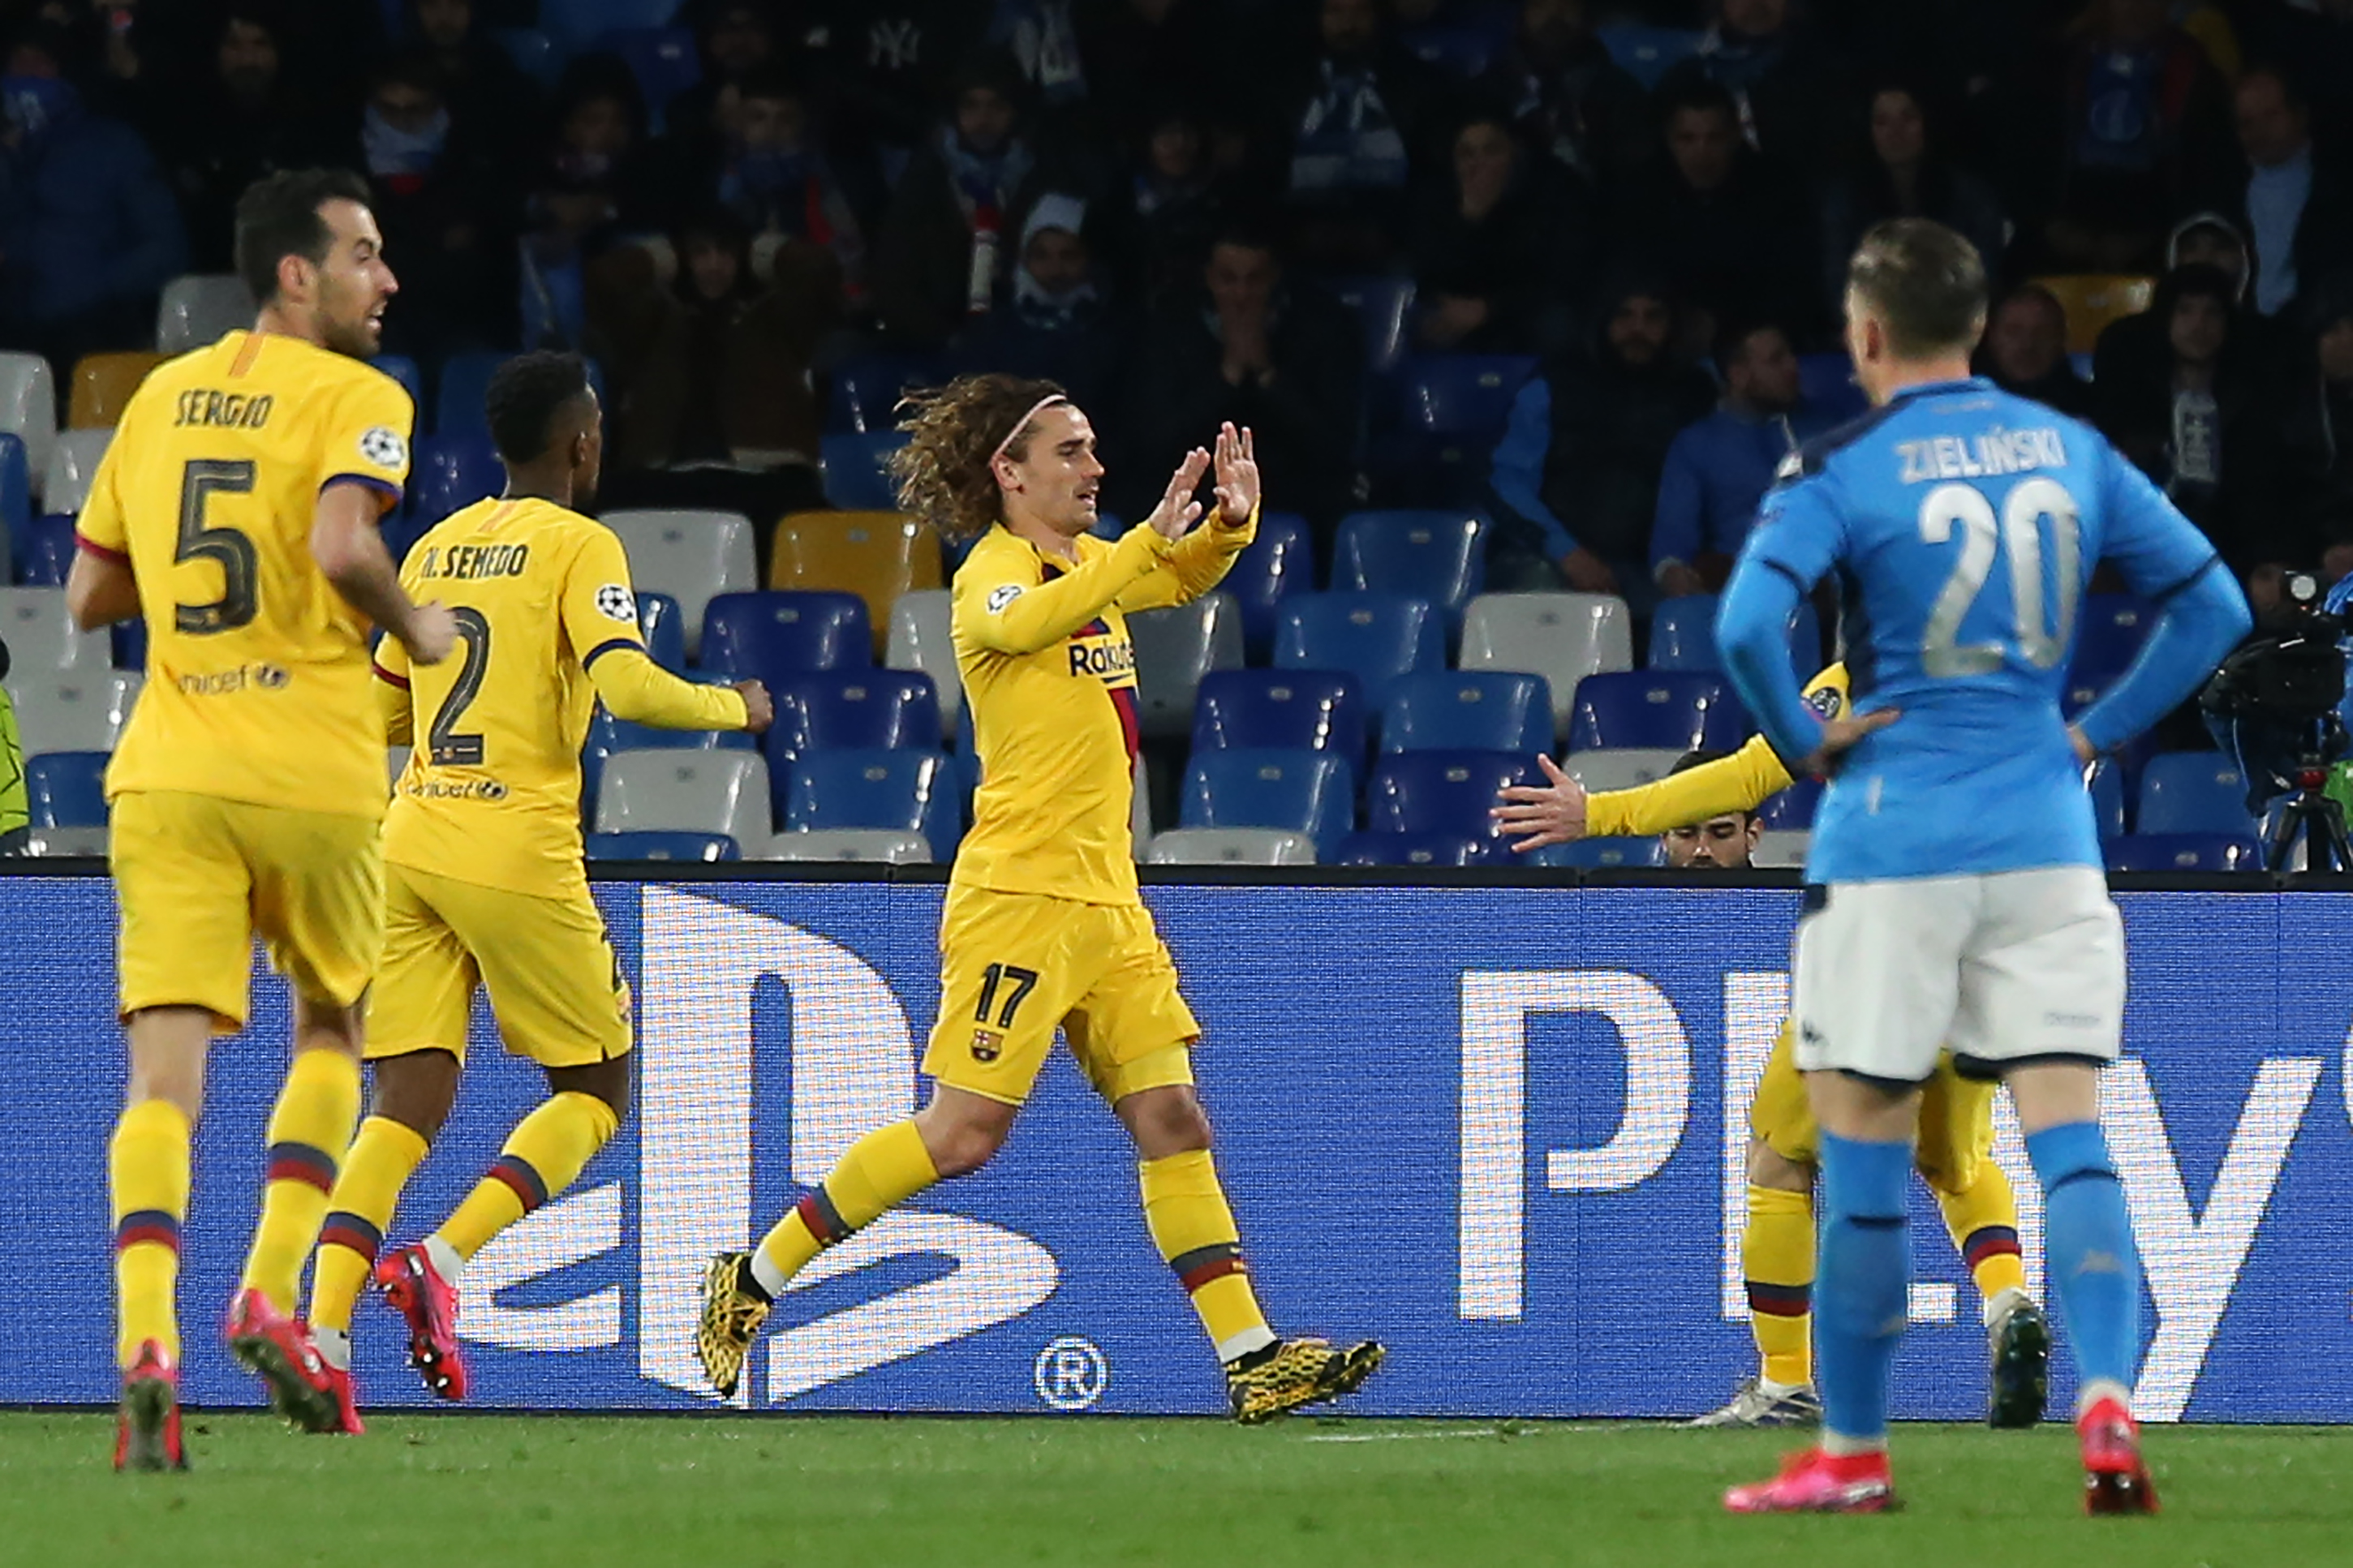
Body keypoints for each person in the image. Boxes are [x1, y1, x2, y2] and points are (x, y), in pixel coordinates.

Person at [693, 374, 1383, 1423]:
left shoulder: (1082, 571)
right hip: (1019, 897)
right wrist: (1141, 545)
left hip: (1110, 902)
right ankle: (753, 1276)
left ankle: (1252, 1358)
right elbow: (1032, 623)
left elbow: (1170, 578)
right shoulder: (993, 576)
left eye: (1095, 448)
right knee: (964, 1135)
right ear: (1008, 473)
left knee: (1174, 1117)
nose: (1095, 467)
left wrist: (1227, 531)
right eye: (1070, 450)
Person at [1710, 217, 2250, 1513]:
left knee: (1863, 1164)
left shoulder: (1843, 460)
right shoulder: (2071, 449)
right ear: (1978, 323)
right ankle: (2110, 1410)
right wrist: (2094, 731)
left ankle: (1852, 1456)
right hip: (2043, 845)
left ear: (1870, 333)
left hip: (1891, 844)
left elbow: (1743, 628)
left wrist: (1806, 743)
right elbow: (2220, 607)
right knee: (2070, 1148)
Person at [63, 167, 458, 1471]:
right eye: (365, 256)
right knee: (336, 1028)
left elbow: (84, 597)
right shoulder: (359, 395)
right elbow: (346, 544)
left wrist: (190, 599)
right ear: (298, 274)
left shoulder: (159, 399)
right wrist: (418, 622)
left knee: (163, 1076)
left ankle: (143, 1341)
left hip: (167, 770)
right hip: (310, 769)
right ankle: (269, 1290)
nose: (385, 280)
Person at [298, 352, 772, 1431]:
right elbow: (627, 684)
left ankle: (321, 1332)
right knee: (598, 1089)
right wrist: (734, 707)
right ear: (580, 442)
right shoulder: (578, 543)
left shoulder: (434, 544)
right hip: (512, 843)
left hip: (409, 836)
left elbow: (379, 712)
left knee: (404, 1102)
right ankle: (444, 1261)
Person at [1494, 715, 2054, 1433]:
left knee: (1780, 1161)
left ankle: (1786, 1383)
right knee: (1957, 1164)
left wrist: (1602, 812)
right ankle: (2007, 1300)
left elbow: (1749, 774)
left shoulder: (1868, 673)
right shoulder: (2005, 677)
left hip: (1879, 950)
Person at [1486, 270, 1718, 604]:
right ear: (1602, 320)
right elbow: (1505, 483)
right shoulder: (1553, 386)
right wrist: (1567, 552)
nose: (1638, 329)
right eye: (1624, 315)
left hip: (1652, 568)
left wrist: (1677, 564)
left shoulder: (1696, 394)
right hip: (1551, 559)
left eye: (1653, 317)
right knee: (1541, 590)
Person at [1121, 222, 1363, 541]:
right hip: (1199, 494)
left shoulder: (1323, 328)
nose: (1241, 294)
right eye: (1228, 279)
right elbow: (1154, 443)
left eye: (1255, 280)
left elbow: (1335, 446)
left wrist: (1268, 377)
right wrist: (1226, 378)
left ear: (1275, 277)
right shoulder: (1170, 330)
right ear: (1208, 277)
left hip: (1294, 493)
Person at [0, 23, 187, 373]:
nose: (27, 76)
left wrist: (89, 285)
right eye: (18, 64)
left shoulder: (114, 146)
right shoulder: (7, 154)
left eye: (39, 64)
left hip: (96, 333)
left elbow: (166, 249)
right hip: (11, 334)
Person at [1650, 319, 1829, 600]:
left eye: (1790, 355)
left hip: (1827, 583)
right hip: (1741, 587)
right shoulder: (1698, 444)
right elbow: (1672, 543)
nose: (1792, 367)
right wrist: (1674, 572)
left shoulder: (1827, 431)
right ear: (1738, 375)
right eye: (1776, 360)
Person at [2227, 67, 2353, 320]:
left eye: (2271, 116)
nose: (2260, 130)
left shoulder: (2340, 186)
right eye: (2248, 122)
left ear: (2301, 115)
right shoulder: (2224, 193)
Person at [1972, 284, 2093, 419]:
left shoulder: (2091, 409)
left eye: (2043, 333)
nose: (2027, 344)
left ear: (2061, 338)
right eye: (2013, 332)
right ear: (1991, 336)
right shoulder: (1965, 404)